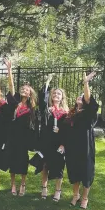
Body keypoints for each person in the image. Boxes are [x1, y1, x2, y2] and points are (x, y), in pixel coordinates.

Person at [4, 58, 38, 196]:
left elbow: (35, 124)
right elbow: (11, 85)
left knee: (23, 161)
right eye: (22, 89)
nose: (24, 90)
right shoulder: (14, 102)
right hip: (13, 136)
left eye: (27, 89)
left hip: (24, 138)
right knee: (12, 159)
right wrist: (9, 70)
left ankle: (22, 185)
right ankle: (13, 185)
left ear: (30, 93)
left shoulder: (32, 107)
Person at [64, 72, 98, 209]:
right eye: (79, 96)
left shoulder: (88, 114)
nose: (80, 97)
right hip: (72, 147)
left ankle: (85, 198)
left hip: (85, 147)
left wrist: (86, 83)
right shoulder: (71, 114)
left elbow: (89, 100)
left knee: (86, 171)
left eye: (82, 97)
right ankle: (75, 195)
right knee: (74, 170)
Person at [38, 73, 68, 201]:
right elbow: (42, 99)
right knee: (45, 165)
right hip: (46, 142)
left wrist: (61, 135)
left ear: (62, 98)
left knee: (59, 167)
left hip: (59, 143)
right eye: (54, 94)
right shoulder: (47, 110)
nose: (56, 95)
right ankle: (44, 188)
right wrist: (47, 81)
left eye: (58, 94)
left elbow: (69, 131)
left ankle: (58, 190)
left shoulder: (66, 112)